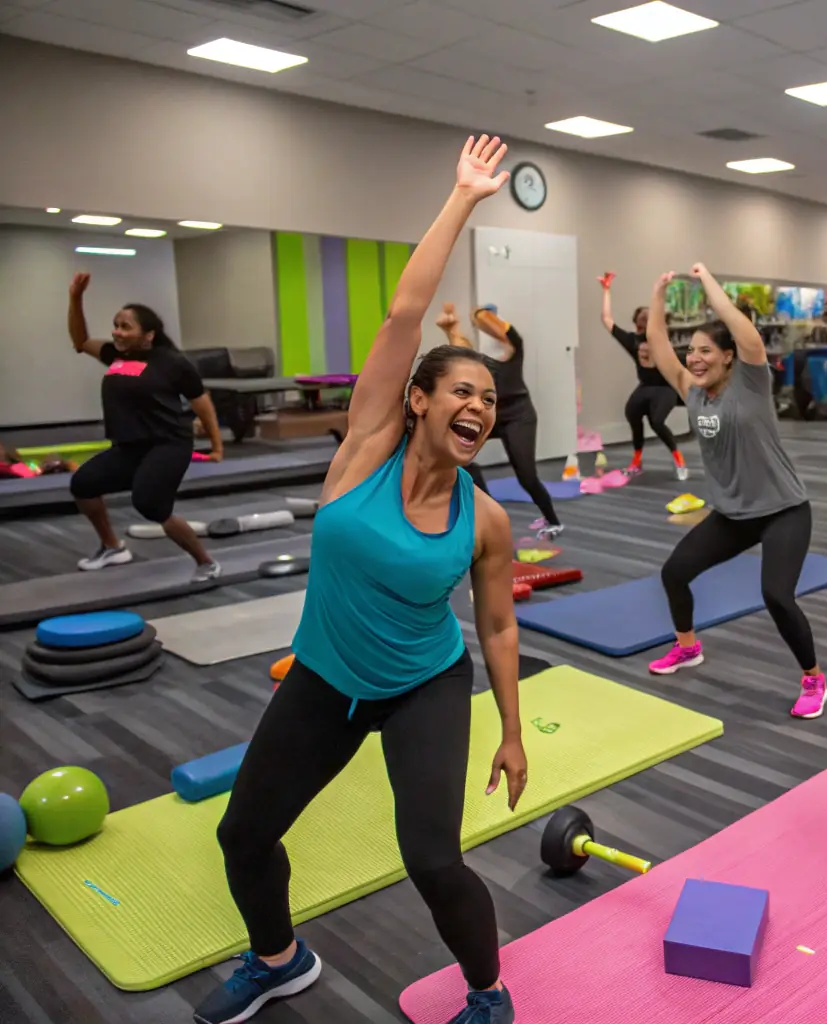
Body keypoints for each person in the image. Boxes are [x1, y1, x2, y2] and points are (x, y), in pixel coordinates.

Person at [194, 135, 526, 1024]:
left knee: (431, 857)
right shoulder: (365, 451)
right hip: (324, 679)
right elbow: (404, 315)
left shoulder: (483, 517)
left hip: (423, 685)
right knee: (244, 833)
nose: (477, 408)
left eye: (489, 401)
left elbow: (496, 627)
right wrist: (460, 198)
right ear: (418, 400)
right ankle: (278, 959)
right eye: (461, 391)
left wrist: (512, 731)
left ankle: (489, 996)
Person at [642, 263, 827, 719]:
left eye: (706, 350)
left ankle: (814, 678)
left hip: (784, 508)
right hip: (732, 514)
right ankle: (688, 647)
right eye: (693, 352)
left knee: (777, 595)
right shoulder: (692, 391)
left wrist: (707, 280)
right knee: (674, 573)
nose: (695, 358)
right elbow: (658, 343)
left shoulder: (751, 381)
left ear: (728, 356)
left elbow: (745, 334)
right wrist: (658, 292)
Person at [65, 274, 224, 580]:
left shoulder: (172, 363)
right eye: (116, 325)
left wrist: (217, 446)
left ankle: (206, 562)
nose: (117, 332)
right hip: (129, 446)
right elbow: (80, 341)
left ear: (148, 335)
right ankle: (113, 547)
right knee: (83, 484)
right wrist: (75, 299)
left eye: (126, 327)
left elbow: (201, 402)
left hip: (168, 443)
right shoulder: (115, 356)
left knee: (150, 504)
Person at [439, 300, 563, 541]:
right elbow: (460, 349)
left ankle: (553, 521)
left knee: (527, 476)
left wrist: (480, 314)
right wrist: (451, 329)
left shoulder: (515, 347)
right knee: (459, 459)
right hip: (491, 418)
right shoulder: (477, 360)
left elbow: (501, 328)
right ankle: (490, 515)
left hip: (520, 417)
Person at [598, 272, 688, 480]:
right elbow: (606, 319)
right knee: (632, 412)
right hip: (645, 386)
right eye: (642, 316)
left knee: (657, 421)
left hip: (666, 388)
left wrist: (662, 288)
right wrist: (606, 290)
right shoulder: (632, 340)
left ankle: (679, 459)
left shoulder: (660, 338)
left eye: (650, 315)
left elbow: (659, 313)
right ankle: (636, 462)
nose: (646, 317)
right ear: (637, 322)